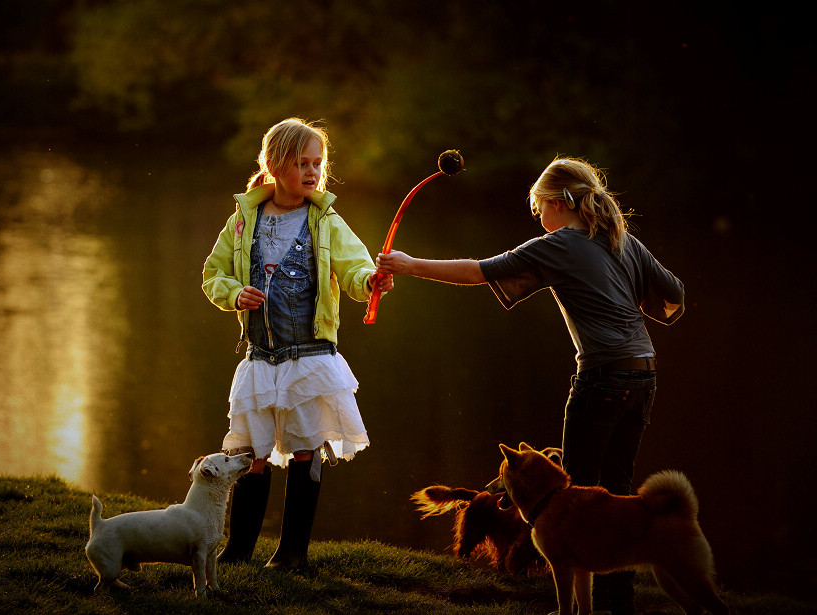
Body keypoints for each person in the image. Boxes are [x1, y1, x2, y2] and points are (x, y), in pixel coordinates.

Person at [375, 156, 684, 615]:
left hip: (601, 377)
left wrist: (409, 264)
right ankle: (616, 604)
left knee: (572, 497)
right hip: (644, 374)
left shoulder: (558, 243)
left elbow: (479, 270)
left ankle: (578, 609)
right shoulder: (622, 241)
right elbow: (674, 297)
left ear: (560, 202)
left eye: (539, 206)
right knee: (618, 494)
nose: (538, 216)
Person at [202, 118, 393, 570]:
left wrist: (372, 282)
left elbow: (355, 269)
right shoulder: (242, 220)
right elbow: (213, 275)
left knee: (306, 448)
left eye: (317, 163)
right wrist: (233, 293)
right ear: (272, 165)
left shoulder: (326, 220)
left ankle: (292, 555)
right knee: (250, 454)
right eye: (300, 163)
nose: (311, 172)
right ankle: (239, 551)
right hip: (260, 357)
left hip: (309, 357)